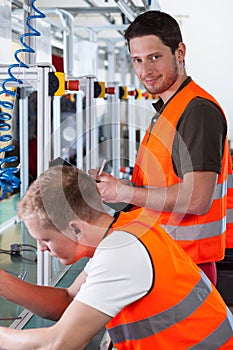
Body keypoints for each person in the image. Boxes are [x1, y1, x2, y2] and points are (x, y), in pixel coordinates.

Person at [0, 164, 233, 349]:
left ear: (76, 229)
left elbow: (59, 343)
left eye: (46, 239)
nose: (40, 248)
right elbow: (68, 301)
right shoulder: (125, 229)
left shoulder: (121, 253)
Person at [89, 10, 233, 286]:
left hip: (187, 266)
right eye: (137, 60)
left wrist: (125, 191)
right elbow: (163, 186)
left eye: (155, 57)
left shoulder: (197, 111)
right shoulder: (169, 109)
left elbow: (197, 199)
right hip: (166, 257)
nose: (145, 71)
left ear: (180, 52)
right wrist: (121, 190)